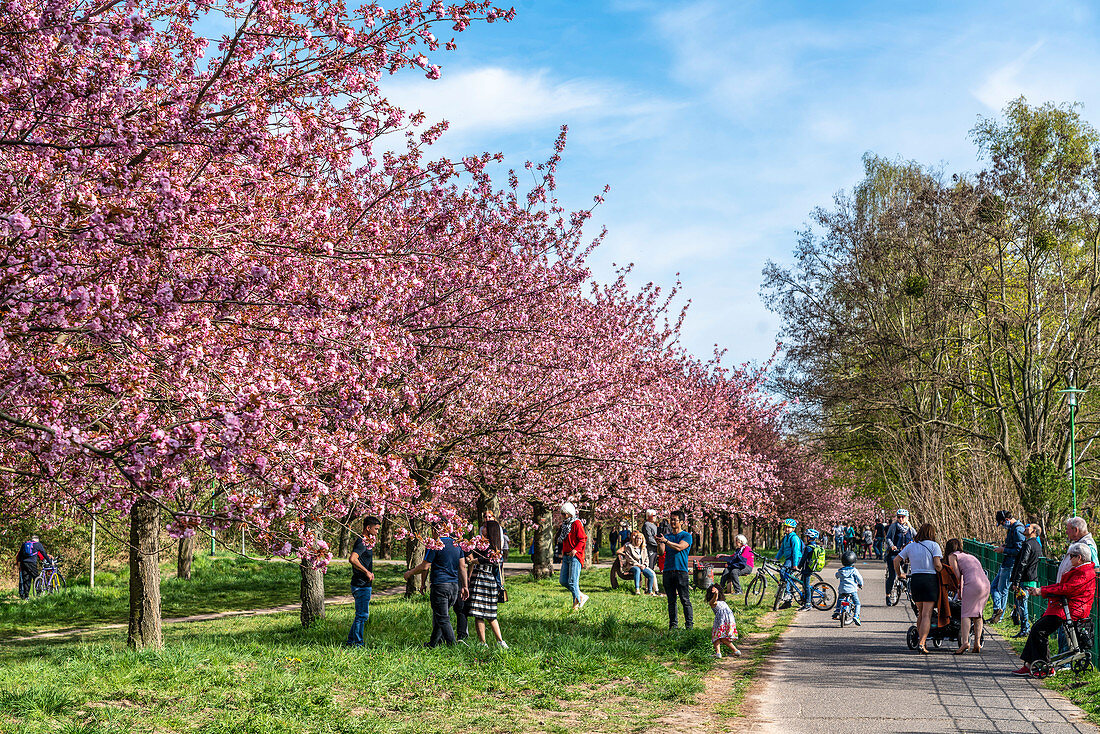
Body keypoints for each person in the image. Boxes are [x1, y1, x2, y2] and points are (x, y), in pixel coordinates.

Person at [1013, 542, 1096, 676]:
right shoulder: (1082, 570)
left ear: (1079, 557)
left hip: (1070, 610)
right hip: (1066, 607)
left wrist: (1041, 591)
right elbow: (1064, 588)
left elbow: (1066, 588)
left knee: (1039, 630)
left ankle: (1046, 666)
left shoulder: (1084, 572)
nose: (1069, 559)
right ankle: (1029, 664)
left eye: (1072, 556)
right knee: (1037, 629)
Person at [403, 530, 469, 647]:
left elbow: (425, 566)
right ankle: (433, 643)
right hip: (454, 586)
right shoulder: (456, 544)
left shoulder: (435, 544)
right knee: (440, 615)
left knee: (443, 618)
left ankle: (453, 646)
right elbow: (462, 566)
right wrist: (464, 586)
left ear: (434, 530)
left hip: (440, 585)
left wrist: (410, 573)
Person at [894, 522, 943, 653]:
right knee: (927, 614)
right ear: (932, 533)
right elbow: (938, 565)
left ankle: (921, 640)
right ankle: (922, 643)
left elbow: (896, 560)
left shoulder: (911, 546)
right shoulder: (934, 546)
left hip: (915, 580)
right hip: (929, 580)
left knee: (920, 613)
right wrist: (943, 569)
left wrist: (900, 574)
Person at [466, 520, 509, 648]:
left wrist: (475, 561)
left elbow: (491, 561)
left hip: (481, 578)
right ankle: (497, 642)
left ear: (490, 530)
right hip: (488, 580)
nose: (482, 529)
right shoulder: (491, 545)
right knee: (488, 614)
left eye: (485, 527)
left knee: (481, 613)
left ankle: (488, 642)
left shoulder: (491, 546)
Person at [944, 537, 989, 654]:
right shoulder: (968, 556)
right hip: (985, 583)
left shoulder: (952, 556)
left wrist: (952, 586)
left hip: (973, 584)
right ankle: (977, 643)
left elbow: (956, 575)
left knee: (966, 614)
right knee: (978, 614)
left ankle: (965, 642)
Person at [345, 516, 380, 648]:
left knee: (361, 615)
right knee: (362, 616)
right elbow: (353, 559)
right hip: (360, 584)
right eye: (375, 529)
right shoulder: (362, 542)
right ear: (368, 528)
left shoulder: (367, 543)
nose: (377, 532)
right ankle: (357, 644)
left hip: (364, 584)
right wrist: (366, 572)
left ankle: (351, 641)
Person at [657, 510, 693, 629]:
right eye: (671, 519)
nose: (672, 522)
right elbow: (661, 552)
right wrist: (659, 542)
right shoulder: (666, 536)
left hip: (681, 571)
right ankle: (673, 626)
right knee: (671, 600)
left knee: (685, 599)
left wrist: (666, 541)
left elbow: (680, 547)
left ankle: (689, 625)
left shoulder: (686, 536)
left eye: (675, 519)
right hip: (668, 571)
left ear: (682, 522)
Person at [989, 509, 1026, 624]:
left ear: (1007, 520)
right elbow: (1014, 546)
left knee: (1002, 590)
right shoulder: (1012, 529)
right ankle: (997, 611)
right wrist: (1005, 546)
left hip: (1011, 564)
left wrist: (1003, 550)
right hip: (1006, 563)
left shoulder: (1018, 529)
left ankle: (999, 615)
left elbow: (1019, 549)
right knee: (993, 587)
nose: (1002, 526)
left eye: (1002, 523)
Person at [1009, 523, 1042, 638]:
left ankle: (1025, 629)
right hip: (1032, 577)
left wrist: (1016, 581)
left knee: (1022, 604)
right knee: (1023, 603)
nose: (1025, 527)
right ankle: (1025, 628)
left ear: (1033, 531)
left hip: (1024, 579)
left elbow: (1022, 563)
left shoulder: (1027, 544)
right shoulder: (1037, 545)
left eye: (1028, 527)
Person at [557, 502, 588, 610]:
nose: (562, 516)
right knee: (563, 581)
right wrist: (563, 551)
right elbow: (565, 540)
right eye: (561, 514)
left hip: (575, 556)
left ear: (570, 514)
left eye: (564, 514)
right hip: (566, 556)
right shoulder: (565, 525)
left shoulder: (576, 523)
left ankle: (576, 605)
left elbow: (583, 538)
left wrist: (575, 550)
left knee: (573, 581)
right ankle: (581, 596)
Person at [883, 509, 915, 603]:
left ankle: (905, 588)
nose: (900, 519)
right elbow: (888, 537)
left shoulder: (910, 528)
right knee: (892, 575)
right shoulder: (894, 527)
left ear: (907, 518)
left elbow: (916, 538)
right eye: (899, 517)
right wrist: (892, 545)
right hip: (894, 554)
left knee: (906, 575)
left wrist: (912, 543)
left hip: (906, 555)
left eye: (903, 517)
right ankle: (888, 596)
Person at [618, 531, 658, 595]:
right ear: (635, 539)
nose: (638, 540)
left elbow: (646, 558)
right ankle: (637, 589)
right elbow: (629, 558)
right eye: (637, 538)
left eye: (640, 538)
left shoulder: (644, 548)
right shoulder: (629, 547)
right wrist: (638, 565)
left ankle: (649, 591)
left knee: (650, 574)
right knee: (637, 570)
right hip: (632, 566)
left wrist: (644, 565)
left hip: (642, 566)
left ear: (642, 540)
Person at [705, 585, 741, 658]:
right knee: (720, 637)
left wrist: (715, 594)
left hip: (721, 621)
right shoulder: (723, 603)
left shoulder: (712, 603)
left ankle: (722, 653)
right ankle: (733, 651)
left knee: (718, 637)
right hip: (730, 620)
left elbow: (714, 600)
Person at [775, 518, 803, 608]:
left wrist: (795, 564)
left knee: (784, 572)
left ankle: (787, 594)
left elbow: (795, 551)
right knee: (785, 575)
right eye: (786, 527)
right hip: (789, 559)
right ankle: (786, 597)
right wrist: (776, 558)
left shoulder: (794, 538)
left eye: (789, 527)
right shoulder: (786, 538)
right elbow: (782, 550)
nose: (787, 529)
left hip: (795, 558)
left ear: (793, 529)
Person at [15, 535, 51, 600]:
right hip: (32, 563)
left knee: (26, 579)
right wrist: (50, 562)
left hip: (23, 563)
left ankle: (26, 596)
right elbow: (44, 553)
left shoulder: (24, 544)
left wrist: (19, 563)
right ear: (37, 540)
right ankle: (39, 593)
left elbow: (20, 554)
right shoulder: (38, 544)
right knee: (36, 577)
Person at [833, 550, 864, 625]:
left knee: (840, 599)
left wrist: (838, 575)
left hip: (842, 589)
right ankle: (856, 616)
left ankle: (837, 611)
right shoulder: (854, 570)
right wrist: (861, 584)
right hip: (852, 590)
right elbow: (859, 578)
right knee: (857, 603)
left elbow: (836, 575)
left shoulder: (840, 571)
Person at [797, 529, 823, 611]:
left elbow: (803, 559)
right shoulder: (815, 546)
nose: (805, 538)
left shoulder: (808, 548)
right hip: (810, 568)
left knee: (806, 586)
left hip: (806, 569)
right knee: (804, 583)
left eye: (806, 536)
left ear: (809, 538)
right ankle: (805, 599)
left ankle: (808, 604)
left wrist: (799, 566)